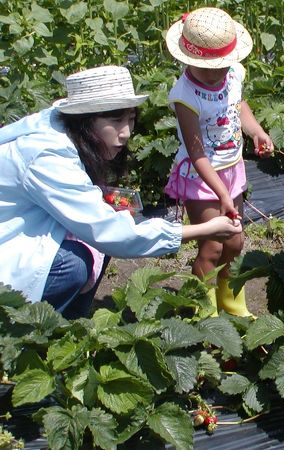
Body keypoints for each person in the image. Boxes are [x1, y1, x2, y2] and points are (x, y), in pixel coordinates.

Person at [0, 65, 242, 320]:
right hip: (8, 250)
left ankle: (71, 328)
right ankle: (22, 330)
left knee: (93, 246)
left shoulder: (63, 130)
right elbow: (110, 232)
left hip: (27, 227)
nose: (126, 132)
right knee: (73, 264)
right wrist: (203, 230)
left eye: (131, 119)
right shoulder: (46, 155)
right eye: (116, 120)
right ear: (83, 120)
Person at [163, 7, 273, 317]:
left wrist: (256, 132)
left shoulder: (234, 73)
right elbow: (197, 153)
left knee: (235, 243)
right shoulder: (185, 96)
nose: (215, 73)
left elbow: (239, 105)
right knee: (212, 244)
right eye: (207, 68)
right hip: (201, 177)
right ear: (187, 59)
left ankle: (230, 296)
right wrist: (222, 195)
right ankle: (205, 307)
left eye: (221, 66)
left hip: (231, 168)